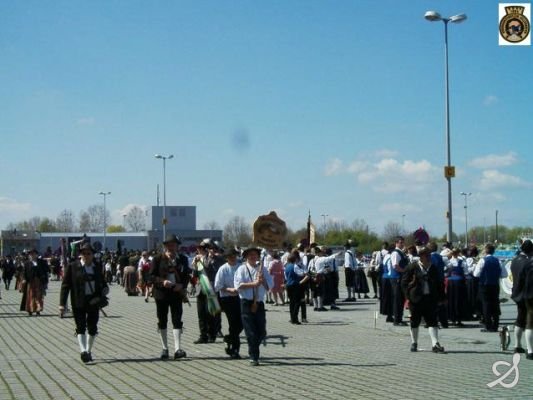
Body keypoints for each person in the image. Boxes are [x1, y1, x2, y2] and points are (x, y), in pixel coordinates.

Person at [59, 243, 109, 363]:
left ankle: (88, 350)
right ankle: (83, 351)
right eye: (83, 253)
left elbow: (103, 283)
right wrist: (62, 304)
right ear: (80, 255)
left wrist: (105, 290)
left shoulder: (96, 267)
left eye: (88, 253)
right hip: (78, 301)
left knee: (92, 327)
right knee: (80, 327)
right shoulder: (72, 266)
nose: (86, 255)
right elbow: (65, 286)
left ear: (92, 255)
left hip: (93, 301)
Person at [150, 234, 191, 360]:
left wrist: (182, 285)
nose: (171, 247)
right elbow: (151, 276)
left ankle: (177, 349)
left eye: (173, 244)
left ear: (177, 246)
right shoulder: (157, 259)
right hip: (161, 293)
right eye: (169, 245)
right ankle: (165, 348)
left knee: (177, 319)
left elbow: (186, 275)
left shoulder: (183, 259)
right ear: (165, 246)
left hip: (176, 293)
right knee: (162, 320)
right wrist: (162, 282)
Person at [401, 246, 446, 353]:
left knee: (432, 321)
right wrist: (408, 296)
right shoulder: (412, 267)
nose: (429, 257)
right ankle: (414, 343)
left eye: (429, 255)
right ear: (421, 256)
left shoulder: (433, 268)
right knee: (415, 322)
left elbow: (439, 283)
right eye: (427, 255)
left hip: (430, 298)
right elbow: (403, 283)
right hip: (415, 299)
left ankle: (435, 344)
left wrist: (442, 297)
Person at [234, 246, 274, 366]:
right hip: (246, 303)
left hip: (259, 303)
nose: (253, 257)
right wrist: (254, 284)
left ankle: (253, 348)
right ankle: (254, 356)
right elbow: (238, 286)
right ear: (246, 256)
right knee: (250, 331)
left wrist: (263, 281)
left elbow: (269, 286)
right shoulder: (241, 269)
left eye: (255, 255)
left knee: (261, 332)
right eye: (250, 255)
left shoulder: (263, 269)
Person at [191, 239, 223, 344]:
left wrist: (212, 259)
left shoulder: (219, 260)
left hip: (211, 289)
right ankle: (202, 335)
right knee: (201, 314)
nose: (212, 251)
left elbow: (215, 270)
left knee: (211, 314)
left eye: (214, 249)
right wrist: (195, 265)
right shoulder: (200, 259)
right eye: (210, 249)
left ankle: (212, 334)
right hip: (201, 289)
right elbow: (195, 274)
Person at [214, 247, 243, 359]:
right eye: (230, 256)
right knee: (233, 323)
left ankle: (229, 338)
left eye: (234, 255)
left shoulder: (241, 267)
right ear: (226, 258)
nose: (232, 258)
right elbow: (218, 286)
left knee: (241, 323)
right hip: (227, 299)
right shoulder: (223, 269)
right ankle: (235, 349)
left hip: (240, 298)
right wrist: (228, 289)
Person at [474, 243, 506, 332]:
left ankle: (488, 325)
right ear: (493, 251)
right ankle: (495, 324)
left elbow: (476, 274)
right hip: (495, 285)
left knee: (486, 305)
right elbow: (504, 274)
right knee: (495, 304)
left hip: (484, 285)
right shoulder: (498, 261)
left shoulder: (482, 260)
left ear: (485, 251)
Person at [510, 240, 533, 354]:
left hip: (517, 293)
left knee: (520, 318)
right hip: (528, 294)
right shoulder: (528, 262)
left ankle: (517, 345)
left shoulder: (514, 260)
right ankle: (530, 350)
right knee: (530, 321)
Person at [20, 248, 49, 316]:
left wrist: (45, 279)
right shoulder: (27, 263)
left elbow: (46, 270)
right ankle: (30, 309)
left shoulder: (41, 262)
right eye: (30, 254)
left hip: (39, 282)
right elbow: (24, 272)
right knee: (31, 296)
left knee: (39, 296)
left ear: (36, 254)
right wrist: (24, 279)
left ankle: (38, 310)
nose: (32, 255)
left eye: (33, 254)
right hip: (30, 282)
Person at [284, 250, 309, 324]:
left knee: (291, 302)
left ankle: (292, 318)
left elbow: (285, 277)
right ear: (295, 259)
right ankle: (295, 319)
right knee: (297, 302)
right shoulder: (295, 266)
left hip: (288, 285)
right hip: (295, 285)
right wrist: (302, 280)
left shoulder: (287, 266)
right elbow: (303, 274)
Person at [445, 248, 468, 327]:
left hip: (451, 283)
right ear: (458, 253)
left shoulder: (449, 262)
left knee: (451, 300)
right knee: (459, 300)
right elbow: (466, 272)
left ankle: (452, 317)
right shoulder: (462, 262)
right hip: (459, 282)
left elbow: (446, 272)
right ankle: (458, 318)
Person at [390, 236, 409, 326]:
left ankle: (399, 318)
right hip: (397, 278)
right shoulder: (395, 253)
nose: (402, 244)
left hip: (401, 278)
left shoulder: (401, 252)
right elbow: (395, 266)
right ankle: (397, 320)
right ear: (396, 243)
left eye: (403, 242)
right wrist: (405, 271)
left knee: (401, 299)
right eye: (400, 242)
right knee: (398, 299)